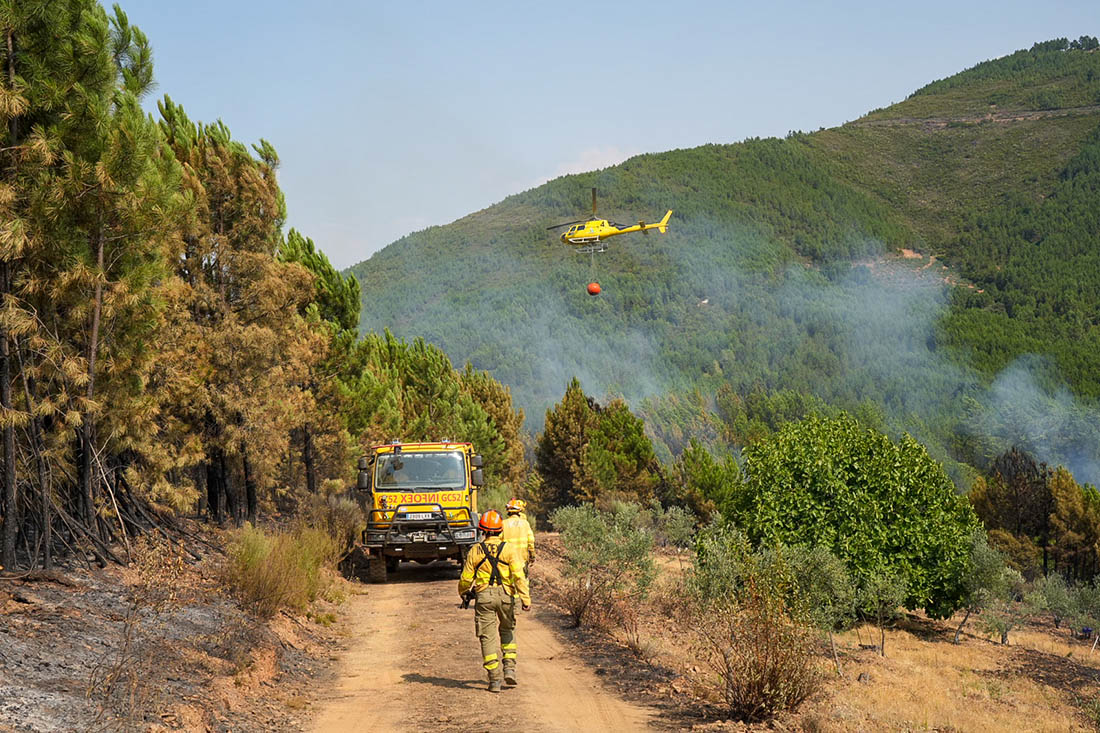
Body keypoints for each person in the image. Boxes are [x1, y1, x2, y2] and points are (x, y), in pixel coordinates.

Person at [458, 510, 531, 693]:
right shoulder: (509, 549)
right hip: (507, 595)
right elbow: (519, 576)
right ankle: (510, 669)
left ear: (483, 531)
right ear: (500, 531)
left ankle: (494, 680)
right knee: (508, 631)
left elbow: (466, 579)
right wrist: (525, 598)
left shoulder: (475, 550)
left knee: (487, 637)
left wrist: (464, 592)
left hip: (484, 597)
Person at [502, 498, 535, 573]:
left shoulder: (503, 524)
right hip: (522, 560)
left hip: (506, 561)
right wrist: (532, 556)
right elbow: (531, 542)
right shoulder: (525, 524)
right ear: (519, 511)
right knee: (523, 582)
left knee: (507, 582)